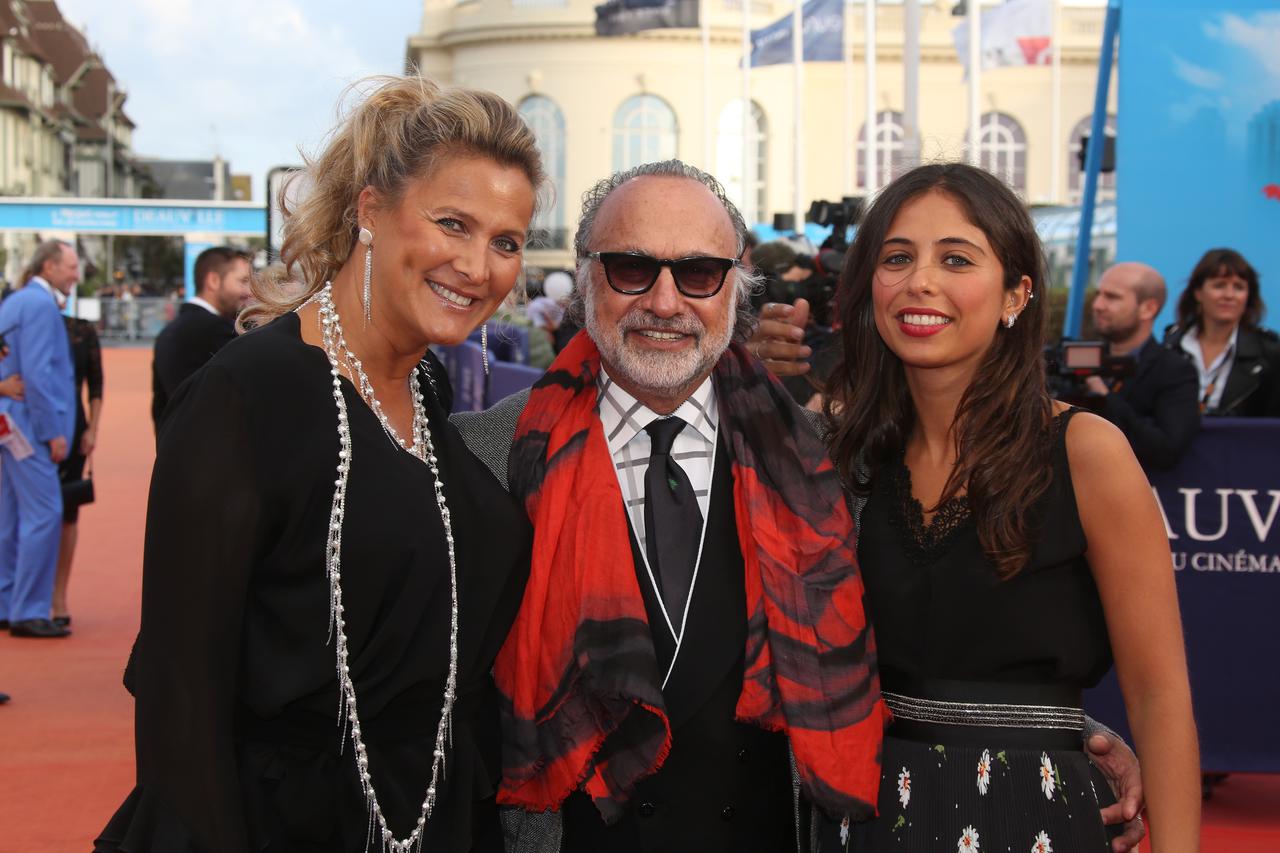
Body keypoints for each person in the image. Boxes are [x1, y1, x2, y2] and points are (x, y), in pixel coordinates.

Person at [96, 76, 544, 852]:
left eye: (506, 242)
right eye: (453, 223)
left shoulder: (426, 389)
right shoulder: (244, 398)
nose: (479, 266)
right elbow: (181, 701)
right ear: (370, 211)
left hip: (431, 819)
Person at [456, 160, 891, 853]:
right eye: (632, 267)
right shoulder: (483, 453)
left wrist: (1067, 726)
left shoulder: (824, 466)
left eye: (698, 273)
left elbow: (908, 651)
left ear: (735, 288)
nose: (664, 302)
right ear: (586, 277)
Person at [813, 163, 1199, 852]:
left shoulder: (1086, 452)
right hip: (867, 818)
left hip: (1035, 820)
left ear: (1017, 293)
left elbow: (1159, 697)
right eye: (897, 257)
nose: (920, 281)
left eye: (955, 258)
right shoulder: (845, 457)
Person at [0, 239, 78, 639]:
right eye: (70, 266)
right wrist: (53, 433)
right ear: (48, 267)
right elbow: (38, 374)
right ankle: (29, 610)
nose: (76, 275)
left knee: (10, 515)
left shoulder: (13, 301)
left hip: (10, 421)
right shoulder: (39, 306)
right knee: (44, 513)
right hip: (30, 426)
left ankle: (6, 600)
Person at [1086, 262, 1201, 470]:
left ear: (1148, 308)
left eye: (1112, 297)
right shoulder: (1077, 361)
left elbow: (1166, 450)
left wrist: (1105, 397)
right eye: (1098, 294)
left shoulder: (1174, 371)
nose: (1098, 305)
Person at [1165, 247, 1280, 417]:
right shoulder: (1171, 347)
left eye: (1239, 287)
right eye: (1219, 285)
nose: (1229, 295)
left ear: (1248, 296)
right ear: (1198, 293)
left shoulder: (1270, 354)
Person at [150, 245, 252, 428]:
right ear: (213, 280)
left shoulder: (167, 332)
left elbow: (159, 408)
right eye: (243, 281)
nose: (249, 292)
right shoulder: (218, 330)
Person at [51, 314, 104, 627]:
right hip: (31, 434)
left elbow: (96, 385)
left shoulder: (82, 330)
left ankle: (59, 597)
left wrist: (92, 429)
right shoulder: (24, 327)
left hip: (74, 432)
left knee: (68, 515)